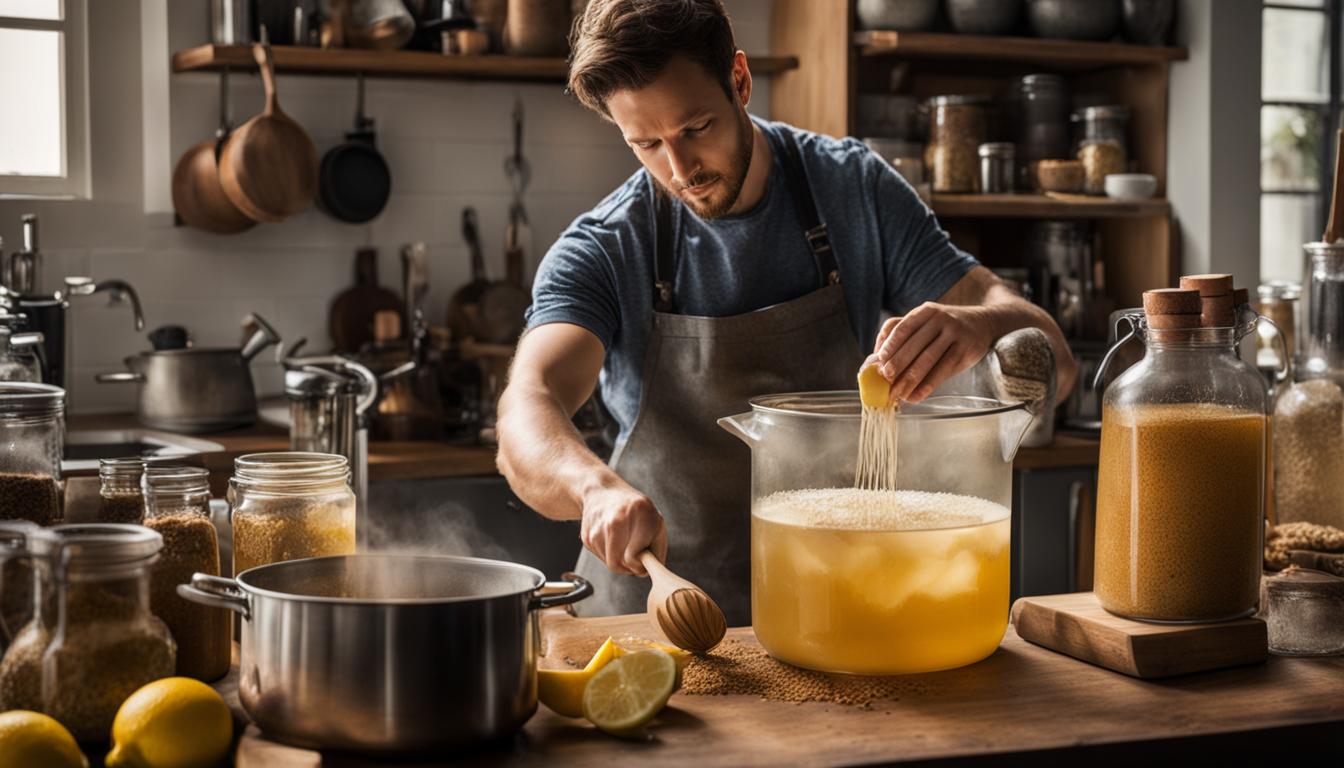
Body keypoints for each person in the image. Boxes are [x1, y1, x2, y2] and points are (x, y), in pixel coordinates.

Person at [496, 0, 1076, 624]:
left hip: (830, 605)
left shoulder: (855, 189)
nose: (680, 169)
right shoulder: (606, 245)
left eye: (696, 128)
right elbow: (527, 404)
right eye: (646, 144)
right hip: (657, 614)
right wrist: (593, 488)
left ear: (740, 80)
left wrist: (982, 325)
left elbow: (1055, 361)